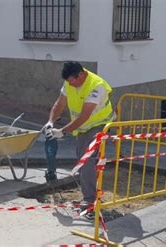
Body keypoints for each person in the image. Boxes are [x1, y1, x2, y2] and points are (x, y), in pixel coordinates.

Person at [44, 61, 114, 217]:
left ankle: (90, 201)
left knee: (86, 158)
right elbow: (59, 103)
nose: (70, 84)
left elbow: (85, 115)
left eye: (72, 81)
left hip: (100, 124)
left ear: (81, 74)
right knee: (82, 159)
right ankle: (89, 198)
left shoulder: (97, 86)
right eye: (68, 81)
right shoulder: (70, 81)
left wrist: (63, 131)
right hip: (82, 127)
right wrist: (50, 121)